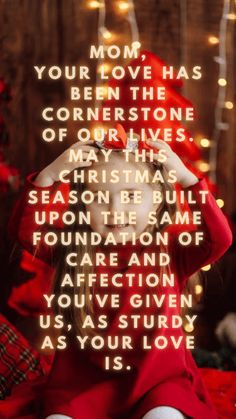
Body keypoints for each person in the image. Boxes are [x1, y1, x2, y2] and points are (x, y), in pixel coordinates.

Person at [9, 134, 232, 419]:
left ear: (157, 202)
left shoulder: (172, 249)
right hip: (83, 385)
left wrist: (188, 180)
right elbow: (25, 231)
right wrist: (50, 174)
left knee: (164, 416)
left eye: (131, 196)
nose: (115, 210)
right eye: (99, 198)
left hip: (158, 382)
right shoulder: (73, 247)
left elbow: (219, 239)